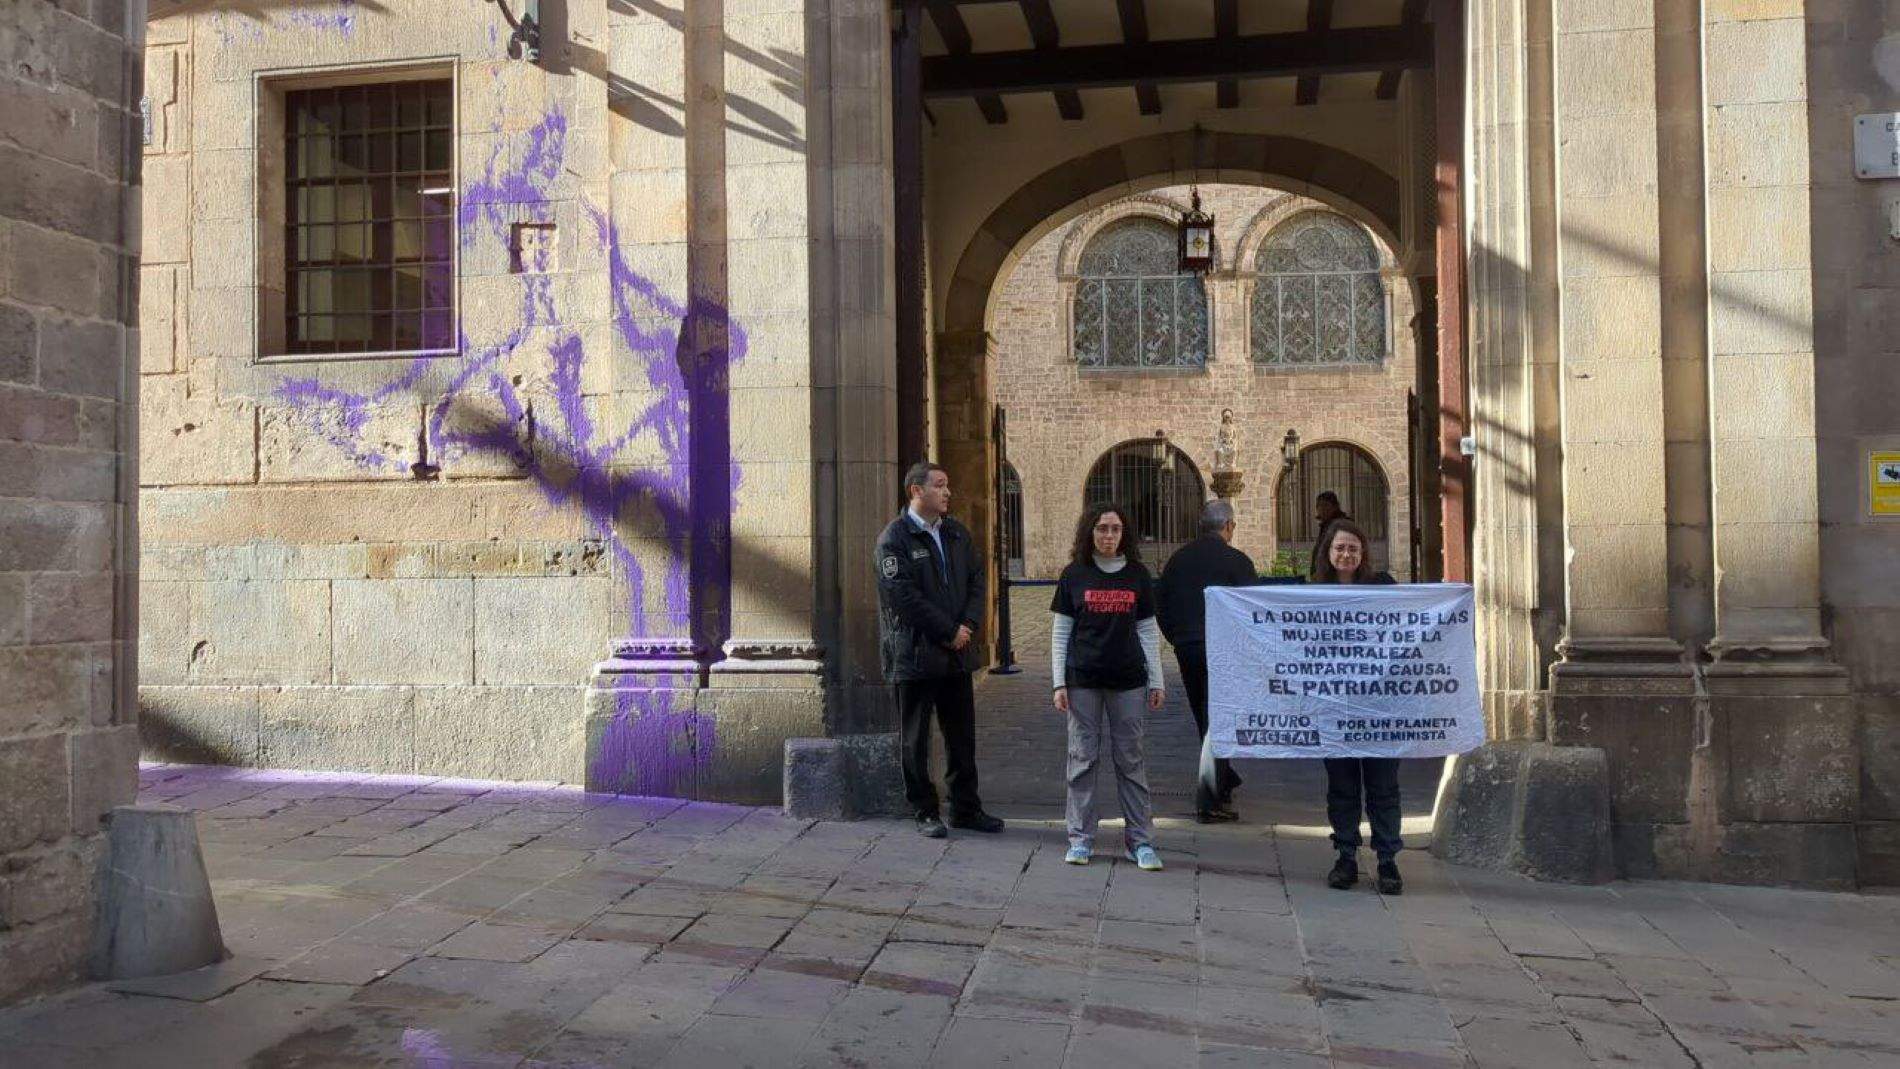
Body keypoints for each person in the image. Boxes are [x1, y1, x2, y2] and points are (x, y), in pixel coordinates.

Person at [876, 462, 1005, 839]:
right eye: (940, 485)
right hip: (915, 656)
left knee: (961, 735)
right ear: (916, 491)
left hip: (956, 654)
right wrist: (948, 630)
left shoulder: (956, 534)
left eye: (947, 485)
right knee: (915, 738)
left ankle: (966, 807)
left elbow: (977, 581)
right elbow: (902, 596)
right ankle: (924, 810)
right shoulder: (894, 539)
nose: (948, 492)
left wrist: (967, 626)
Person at [1050, 503, 1166, 871]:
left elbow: (1147, 629)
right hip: (1083, 679)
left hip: (1128, 680)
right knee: (1082, 759)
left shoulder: (1137, 575)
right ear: (1090, 532)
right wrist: (1058, 682)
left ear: (1124, 534)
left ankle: (1140, 841)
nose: (1109, 536)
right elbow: (1061, 633)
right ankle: (1080, 838)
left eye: (1115, 529)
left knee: (1131, 761)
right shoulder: (1074, 575)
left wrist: (1156, 679)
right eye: (1102, 529)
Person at [1311, 519, 1404, 896]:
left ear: (1363, 553)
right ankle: (1346, 855)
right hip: (1336, 708)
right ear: (1328, 554)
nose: (1346, 554)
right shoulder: (1313, 594)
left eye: (1353, 548)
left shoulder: (1384, 588)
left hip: (1380, 707)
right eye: (1339, 548)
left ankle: (1387, 859)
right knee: (1343, 786)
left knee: (1384, 786)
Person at [1156, 499, 1256, 823]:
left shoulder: (1178, 560)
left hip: (1188, 646)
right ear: (1228, 526)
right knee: (1220, 720)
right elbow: (1251, 611)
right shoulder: (1238, 561)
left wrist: (1176, 637)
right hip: (1222, 651)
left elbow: (1162, 604)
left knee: (1204, 715)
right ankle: (1211, 799)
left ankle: (1224, 777)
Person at [1308, 491, 1352, 577]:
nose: (1322, 510)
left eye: (1325, 505)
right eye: (1319, 506)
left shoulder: (1342, 525)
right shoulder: (1325, 525)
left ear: (1334, 507)